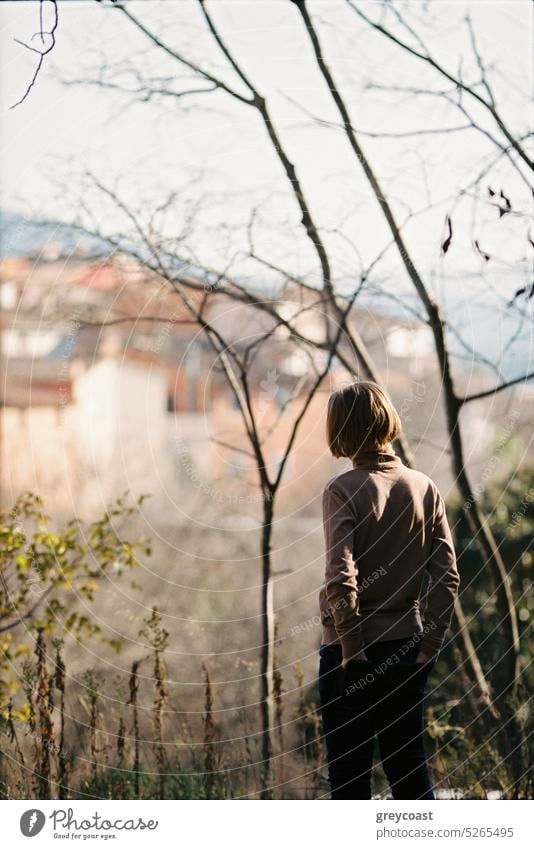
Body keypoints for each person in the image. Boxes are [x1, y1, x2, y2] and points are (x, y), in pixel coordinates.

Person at [318, 380, 460, 800]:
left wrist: (352, 651)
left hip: (351, 659)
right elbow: (447, 576)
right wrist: (429, 645)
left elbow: (341, 577)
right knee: (411, 777)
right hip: (407, 650)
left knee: (350, 785)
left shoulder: (341, 490)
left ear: (341, 429)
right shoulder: (424, 487)